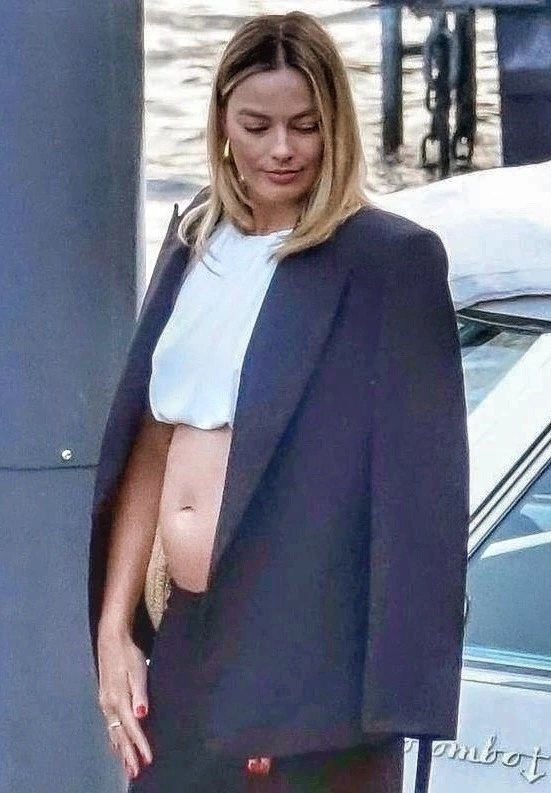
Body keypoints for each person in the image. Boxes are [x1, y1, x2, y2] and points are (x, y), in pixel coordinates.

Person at [88, 11, 469, 793]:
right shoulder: (196, 236)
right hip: (185, 643)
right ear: (222, 123)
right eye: (257, 126)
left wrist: (317, 710)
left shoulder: (389, 261)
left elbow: (417, 508)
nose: (282, 148)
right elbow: (152, 444)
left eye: (305, 125)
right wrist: (114, 629)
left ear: (337, 126)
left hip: (303, 689)